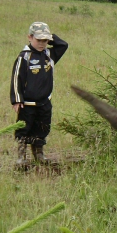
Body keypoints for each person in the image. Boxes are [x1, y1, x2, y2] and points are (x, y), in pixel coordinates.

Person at [10, 22, 68, 165]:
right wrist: (17, 100)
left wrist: (49, 36)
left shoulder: (49, 55)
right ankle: (21, 157)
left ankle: (39, 154)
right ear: (30, 37)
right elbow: (16, 78)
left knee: (42, 127)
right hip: (27, 104)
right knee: (24, 128)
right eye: (39, 40)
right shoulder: (24, 57)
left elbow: (63, 45)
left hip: (45, 101)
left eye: (45, 40)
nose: (42, 43)